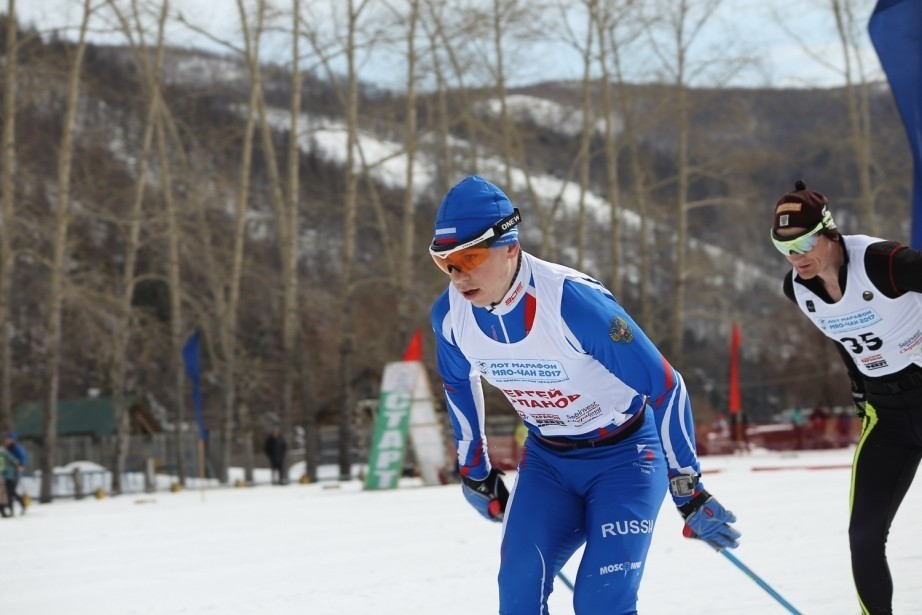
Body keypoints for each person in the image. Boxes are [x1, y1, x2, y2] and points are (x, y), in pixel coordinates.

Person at [429, 175, 739, 614]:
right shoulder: (450, 316)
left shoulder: (573, 304)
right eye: (445, 263)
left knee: (600, 604)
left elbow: (666, 385)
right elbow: (458, 383)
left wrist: (688, 487)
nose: (458, 275)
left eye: (470, 257)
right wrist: (475, 472)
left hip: (626, 458)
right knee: (517, 596)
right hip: (548, 464)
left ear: (511, 246)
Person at [770, 179, 922, 615]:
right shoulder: (798, 290)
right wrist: (859, 390)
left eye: (801, 244)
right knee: (865, 536)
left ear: (828, 232)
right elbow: (845, 336)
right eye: (783, 248)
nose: (795, 258)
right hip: (887, 417)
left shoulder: (883, 262)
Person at [4, 432, 27, 514]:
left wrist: (22, 466)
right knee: (10, 492)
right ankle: (21, 504)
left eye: (9, 439)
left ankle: (14, 508)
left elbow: (22, 458)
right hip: (7, 473)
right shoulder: (7, 448)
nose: (7, 440)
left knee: (11, 491)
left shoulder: (16, 448)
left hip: (15, 473)